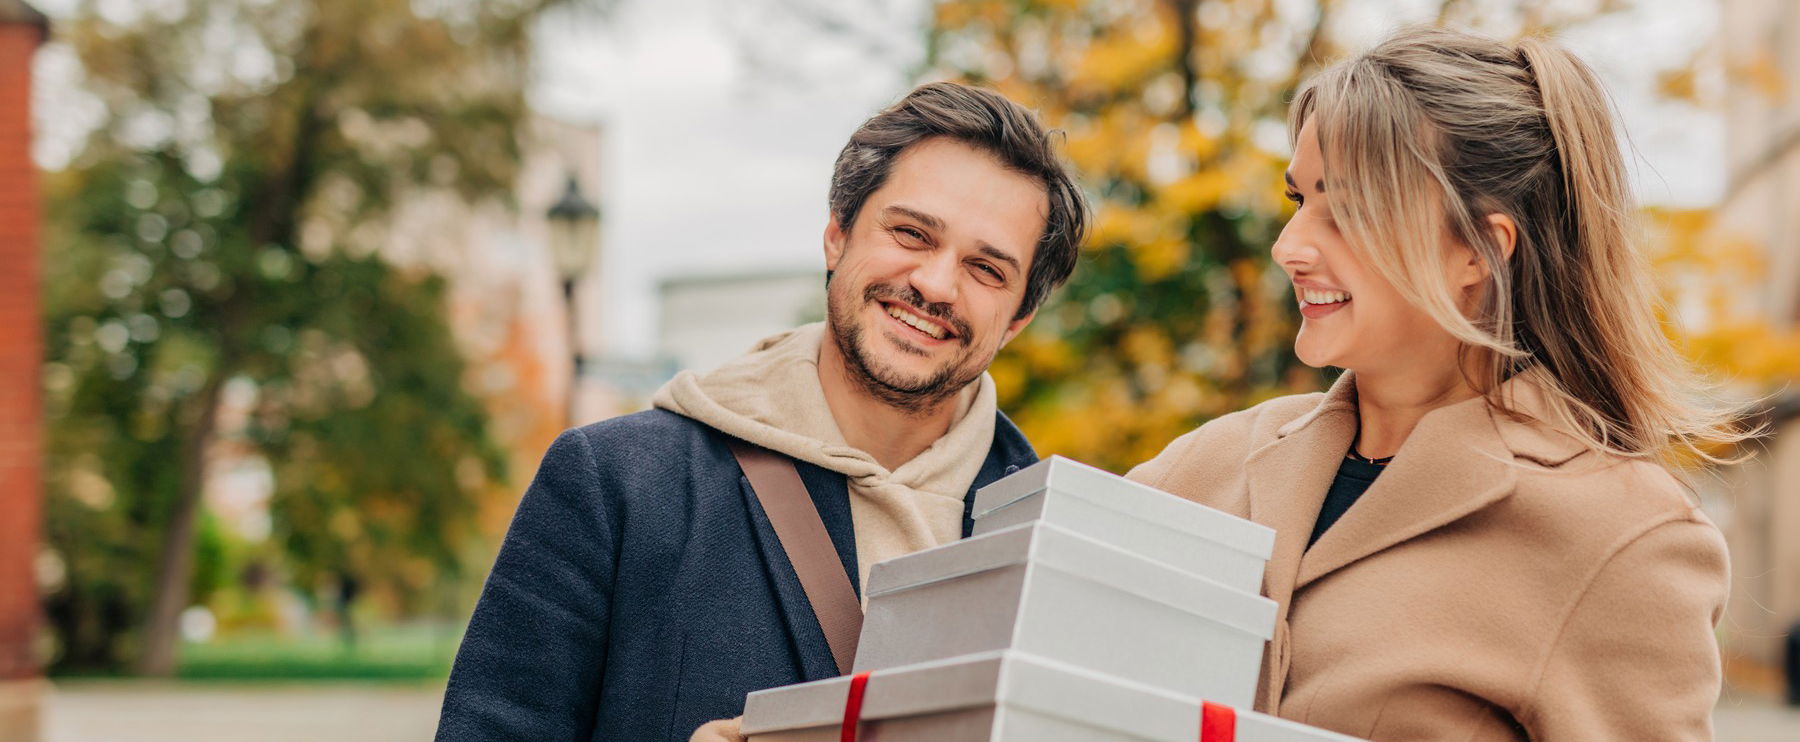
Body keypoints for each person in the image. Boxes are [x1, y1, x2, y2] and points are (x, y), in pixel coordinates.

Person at [1128, 27, 1745, 741]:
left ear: (1479, 251)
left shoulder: (1623, 536)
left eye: (1349, 209)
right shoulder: (1202, 465)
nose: (1289, 246)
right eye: (1298, 198)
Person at [434, 81, 1088, 742]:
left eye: (986, 268)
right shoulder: (614, 485)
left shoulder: (1058, 551)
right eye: (912, 233)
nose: (935, 283)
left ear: (1017, 319)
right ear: (836, 236)